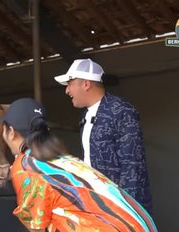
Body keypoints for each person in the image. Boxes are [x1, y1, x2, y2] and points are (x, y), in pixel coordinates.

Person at [0, 98, 163, 232]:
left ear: (10, 132)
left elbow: (37, 228)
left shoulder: (25, 167)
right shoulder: (60, 158)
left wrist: (18, 182)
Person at [54, 58, 153, 214]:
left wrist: (127, 213)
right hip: (97, 204)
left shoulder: (121, 111)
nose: (67, 90)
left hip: (120, 209)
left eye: (70, 83)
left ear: (86, 84)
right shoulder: (86, 115)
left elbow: (132, 166)